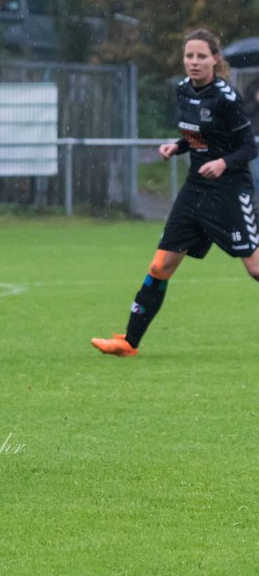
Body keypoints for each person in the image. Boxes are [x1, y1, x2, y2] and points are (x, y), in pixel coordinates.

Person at [91, 29, 259, 357]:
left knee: (255, 269)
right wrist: (177, 146)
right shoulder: (183, 90)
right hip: (195, 189)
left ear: (215, 59)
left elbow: (248, 147)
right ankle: (129, 343)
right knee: (159, 267)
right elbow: (198, 135)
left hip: (228, 191)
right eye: (189, 56)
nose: (194, 62)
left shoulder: (225, 97)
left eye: (201, 56)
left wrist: (223, 163)